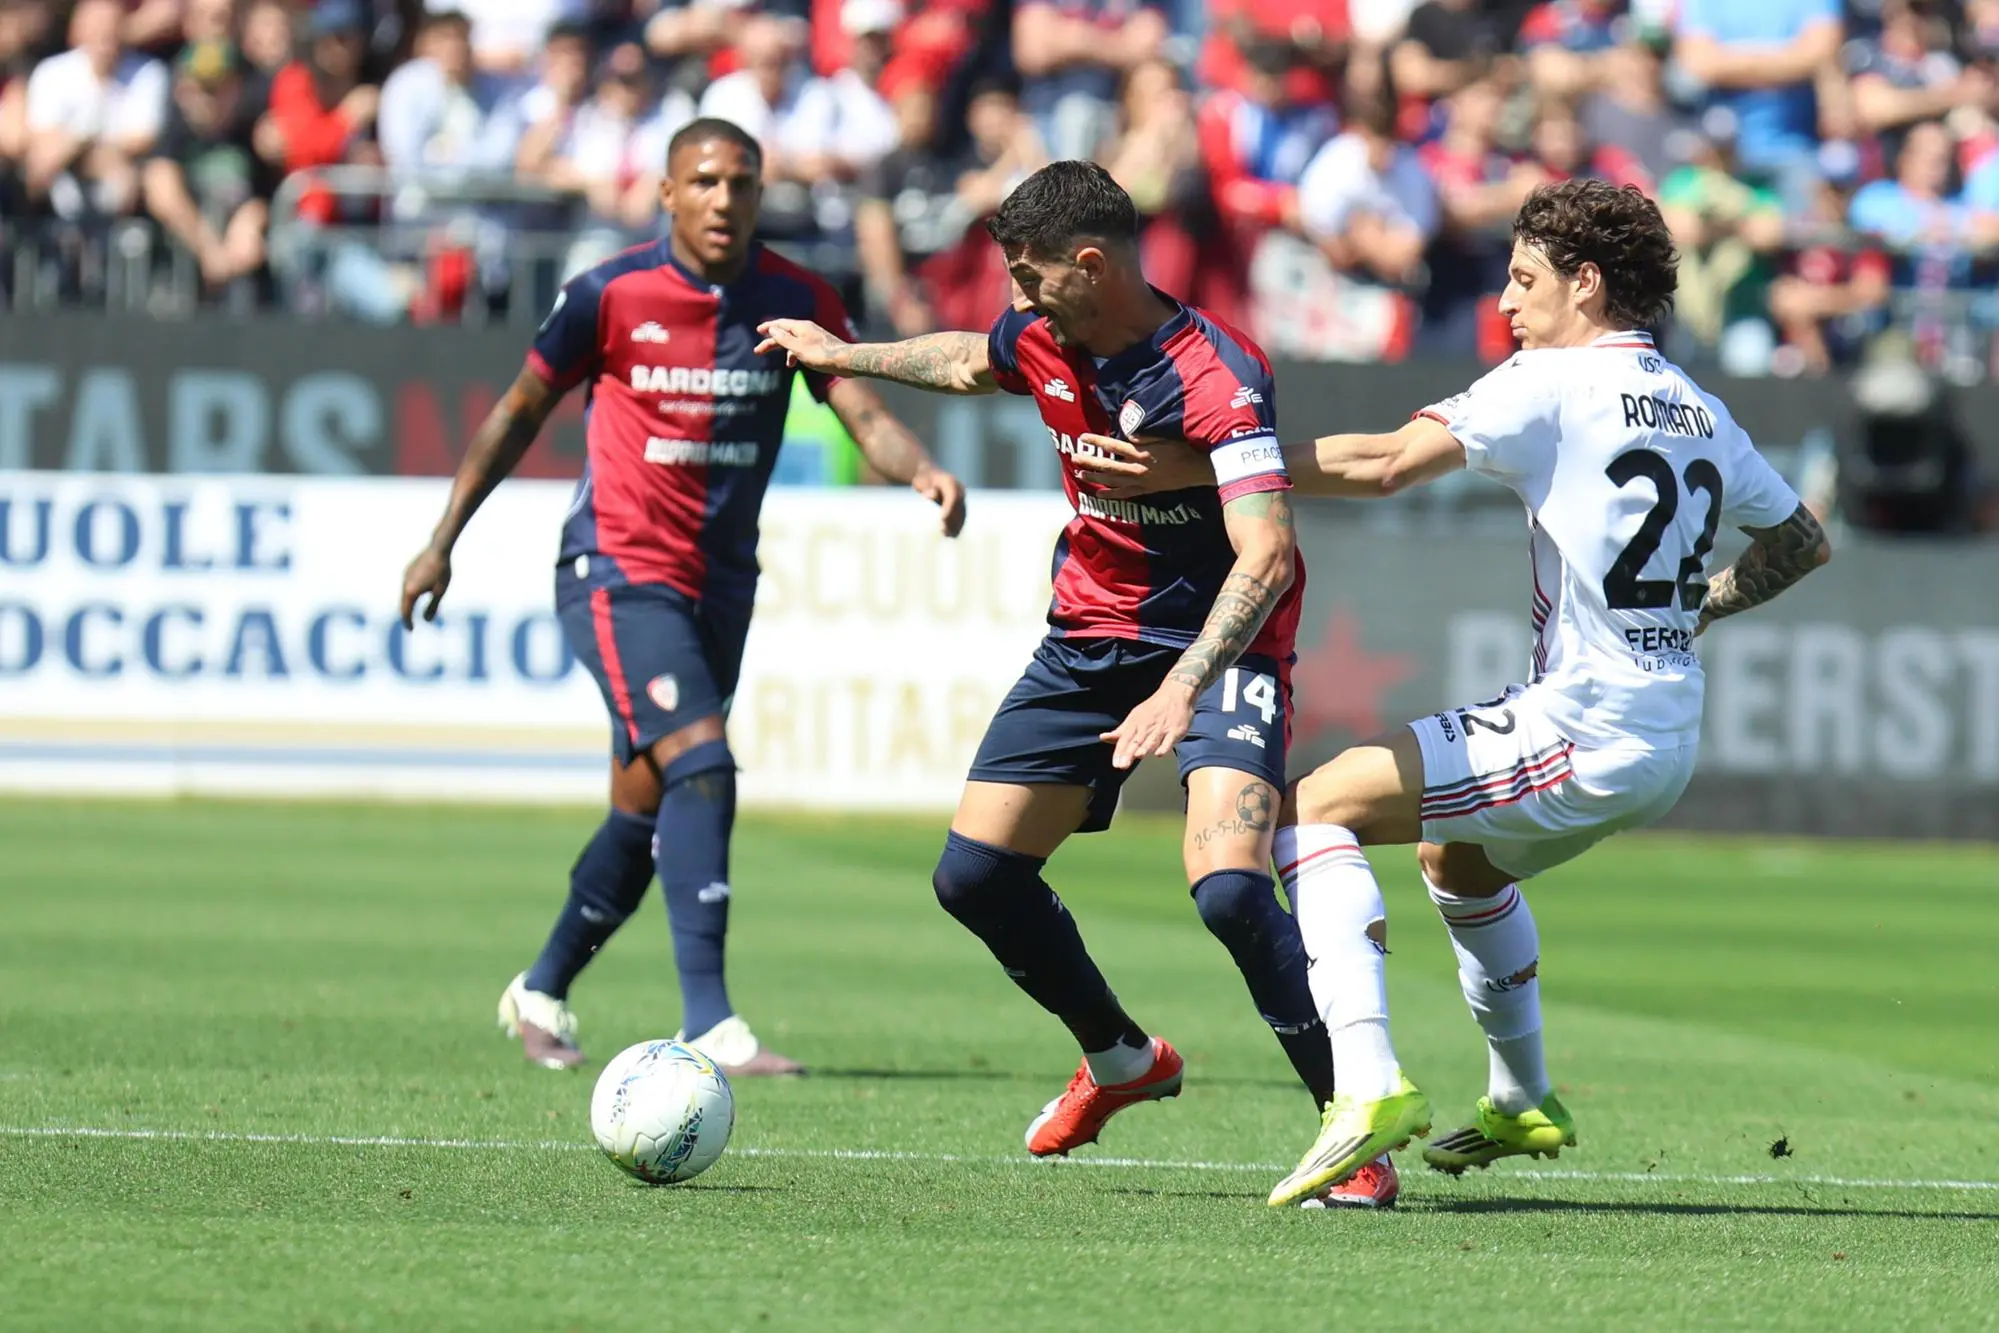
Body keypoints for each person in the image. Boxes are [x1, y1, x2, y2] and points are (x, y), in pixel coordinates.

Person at [1069, 179, 1833, 1208]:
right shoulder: (1696, 404)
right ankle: (1522, 1096)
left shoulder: (1549, 381)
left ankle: (1365, 1085)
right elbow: (1800, 541)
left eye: (1524, 281)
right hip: (1662, 730)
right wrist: (1697, 607)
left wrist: (1208, 471)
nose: (1508, 306)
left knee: (1311, 812)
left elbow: (1383, 461)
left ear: (1587, 283)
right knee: (1456, 856)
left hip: (1589, 725)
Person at [756, 160, 1341, 1163]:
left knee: (1231, 890)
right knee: (974, 877)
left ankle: (1350, 1121)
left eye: (1027, 277)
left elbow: (1268, 550)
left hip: (1220, 647)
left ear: (1090, 264)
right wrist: (843, 355)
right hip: (1087, 634)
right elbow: (964, 360)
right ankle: (1119, 1056)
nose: (1014, 300)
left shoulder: (1216, 374)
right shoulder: (1039, 332)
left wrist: (1183, 683)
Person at [399, 117, 967, 1078]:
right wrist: (441, 540)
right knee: (702, 762)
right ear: (666, 194)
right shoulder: (609, 296)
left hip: (720, 586)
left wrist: (920, 473)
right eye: (702, 181)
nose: (722, 199)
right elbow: (516, 414)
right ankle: (710, 1021)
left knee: (644, 805)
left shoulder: (796, 298)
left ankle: (539, 987)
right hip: (616, 573)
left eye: (740, 182)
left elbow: (860, 407)